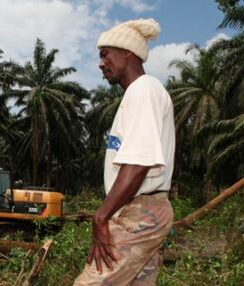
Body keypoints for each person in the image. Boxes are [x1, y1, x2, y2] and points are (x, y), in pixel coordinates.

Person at [74, 18, 175, 286]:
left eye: (105, 54)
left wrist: (101, 217)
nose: (100, 63)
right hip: (140, 209)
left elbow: (138, 163)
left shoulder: (144, 89)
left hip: (142, 210)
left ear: (127, 53)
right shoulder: (136, 95)